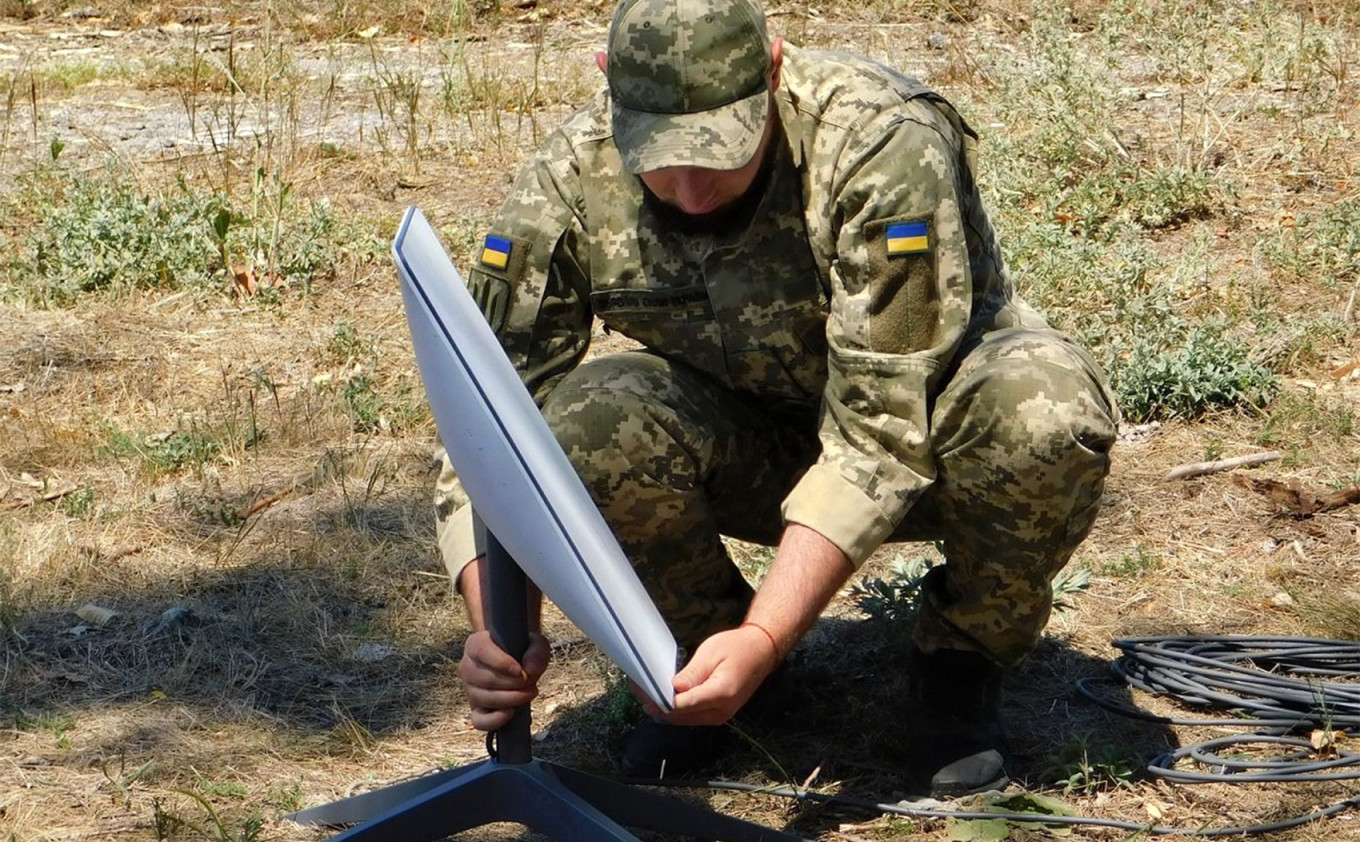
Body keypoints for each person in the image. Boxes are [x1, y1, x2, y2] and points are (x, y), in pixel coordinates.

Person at [435, 0, 1118, 797]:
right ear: (607, 85)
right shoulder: (566, 181)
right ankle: (704, 657)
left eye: (718, 152)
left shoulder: (877, 141)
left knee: (1045, 407)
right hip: (751, 445)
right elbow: (487, 426)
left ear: (773, 68)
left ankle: (959, 661)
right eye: (659, 154)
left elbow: (879, 431)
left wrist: (770, 633)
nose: (690, 191)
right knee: (591, 418)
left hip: (936, 441)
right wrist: (498, 626)